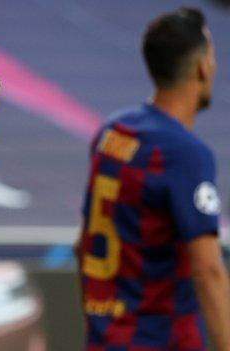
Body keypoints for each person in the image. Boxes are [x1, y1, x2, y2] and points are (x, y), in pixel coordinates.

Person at [78, 8, 230, 350]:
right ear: (202, 66)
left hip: (105, 339)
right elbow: (209, 271)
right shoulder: (184, 153)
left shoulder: (112, 131)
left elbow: (82, 246)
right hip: (160, 340)